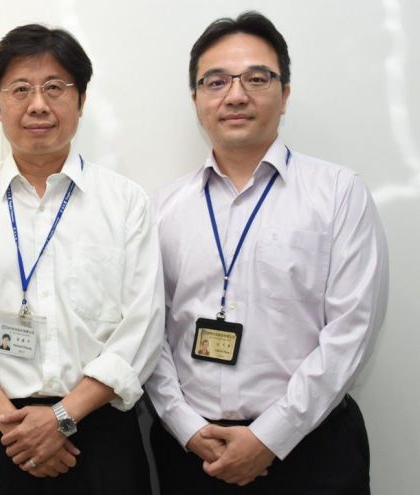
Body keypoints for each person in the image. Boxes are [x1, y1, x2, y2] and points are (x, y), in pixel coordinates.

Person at [145, 11, 389, 494]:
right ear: (196, 99)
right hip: (193, 453)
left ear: (285, 94)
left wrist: (270, 437)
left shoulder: (338, 193)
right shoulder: (161, 208)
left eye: (256, 79)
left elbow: (353, 331)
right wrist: (185, 426)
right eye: (216, 82)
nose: (236, 95)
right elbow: (148, 330)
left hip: (313, 451)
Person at [0, 23, 163, 495]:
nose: (38, 104)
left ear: (82, 100)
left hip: (100, 432)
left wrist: (61, 418)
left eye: (54, 87)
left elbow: (142, 328)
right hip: (2, 434)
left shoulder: (125, 203)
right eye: (20, 90)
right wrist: (22, 431)